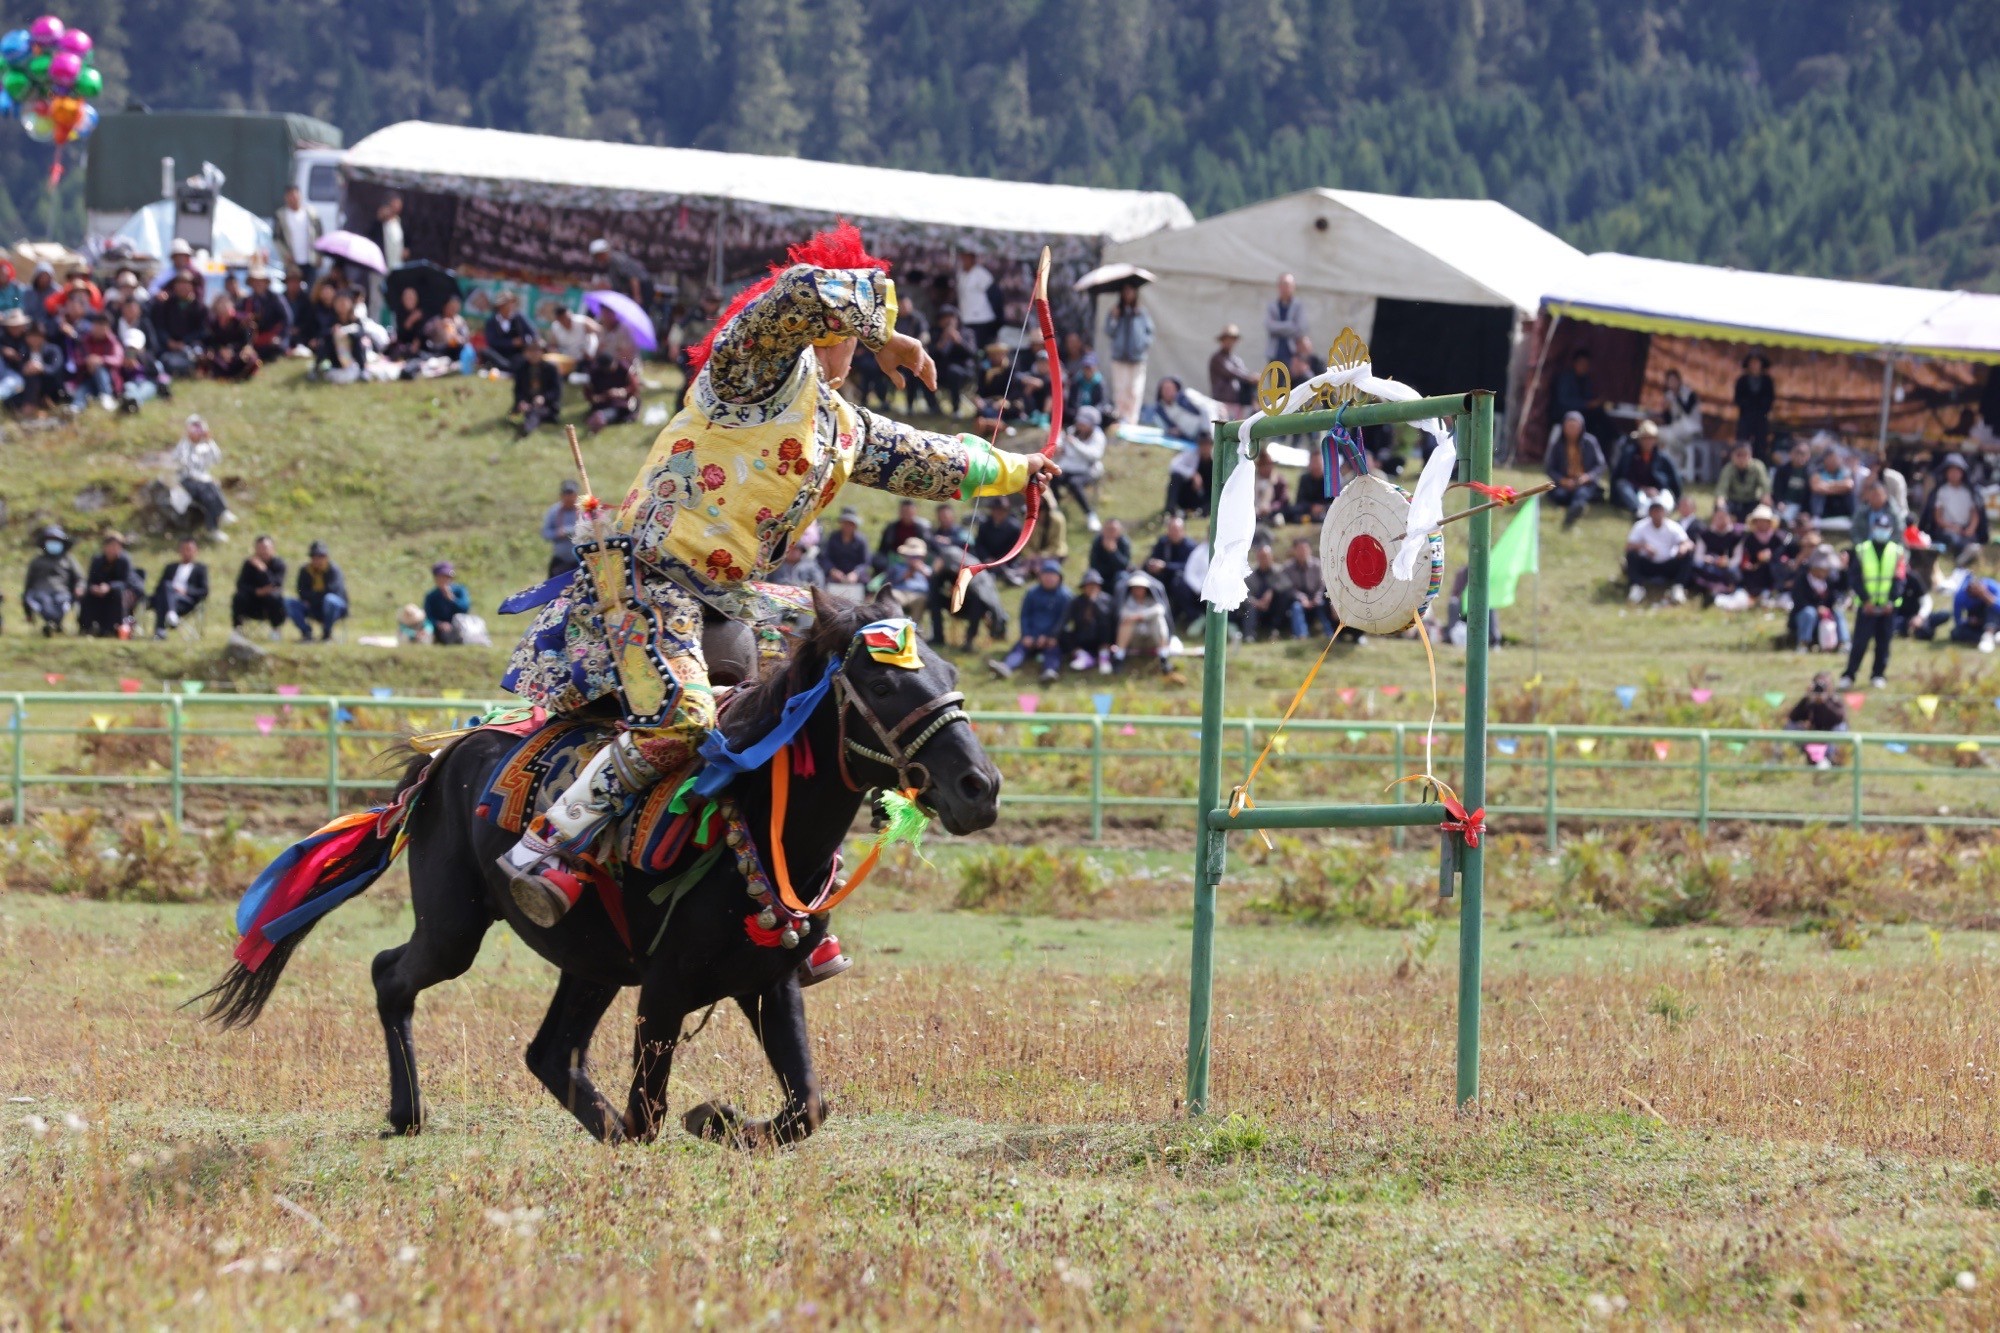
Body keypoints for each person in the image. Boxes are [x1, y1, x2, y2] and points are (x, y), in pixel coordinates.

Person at [495, 223, 1053, 928]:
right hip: (650, 572)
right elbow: (799, 292)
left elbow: (932, 460)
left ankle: (793, 873)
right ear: (835, 331)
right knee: (682, 723)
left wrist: (1020, 470)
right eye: (854, 331)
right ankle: (546, 848)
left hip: (731, 594)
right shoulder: (750, 370)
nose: (859, 344)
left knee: (858, 653)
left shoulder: (843, 427)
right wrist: (889, 335)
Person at [1842, 511, 1904, 688]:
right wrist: (1866, 599)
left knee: (1883, 643)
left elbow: (1899, 579)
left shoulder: (1897, 551)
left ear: (1890, 530)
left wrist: (1891, 601)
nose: (1881, 531)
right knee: (1860, 642)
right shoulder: (1862, 550)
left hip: (1888, 607)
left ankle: (1878, 674)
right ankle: (1849, 675)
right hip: (1866, 606)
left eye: (1884, 528)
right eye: (1878, 527)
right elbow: (1855, 578)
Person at [989, 559, 1071, 682]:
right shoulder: (1032, 593)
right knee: (1019, 649)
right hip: (1031, 635)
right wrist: (1026, 634)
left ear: (1059, 577)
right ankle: (1006, 667)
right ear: (1040, 576)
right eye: (1046, 575)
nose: (1049, 578)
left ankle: (1050, 671)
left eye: (1052, 575)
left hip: (1052, 638)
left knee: (1053, 651)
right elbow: (1025, 615)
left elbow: (1064, 620)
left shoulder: (1065, 596)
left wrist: (1052, 636)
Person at [1916, 548, 2000, 649]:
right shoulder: (1960, 596)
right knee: (1956, 633)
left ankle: (1989, 635)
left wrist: (1985, 596)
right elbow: (1958, 621)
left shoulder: (1992, 586)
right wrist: (1969, 621)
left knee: (1991, 608)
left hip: (1994, 619)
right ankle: (1989, 637)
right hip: (1977, 622)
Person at [1543, 411, 1607, 529]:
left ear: (1581, 427)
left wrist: (1587, 477)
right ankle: (1576, 501)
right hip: (1565, 482)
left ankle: (1575, 509)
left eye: (1575, 427)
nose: (1572, 430)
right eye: (1569, 427)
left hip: (1584, 482)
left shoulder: (1590, 442)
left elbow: (1600, 465)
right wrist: (1562, 480)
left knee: (1582, 493)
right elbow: (1549, 468)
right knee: (1560, 495)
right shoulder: (1557, 444)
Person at [171, 414, 231, 535]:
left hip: (204, 482)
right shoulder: (184, 445)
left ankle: (214, 527)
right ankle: (222, 512)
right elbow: (184, 463)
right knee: (209, 486)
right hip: (187, 481)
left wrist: (210, 441)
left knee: (209, 495)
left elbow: (216, 458)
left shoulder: (205, 445)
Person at [1103, 279, 1153, 424]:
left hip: (1137, 358)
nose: (1128, 294)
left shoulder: (1142, 312)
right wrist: (1114, 318)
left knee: (1135, 390)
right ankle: (1121, 418)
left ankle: (1132, 420)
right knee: (1120, 390)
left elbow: (1150, 333)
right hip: (1120, 357)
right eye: (1125, 292)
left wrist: (1141, 345)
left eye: (1130, 291)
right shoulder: (1116, 311)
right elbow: (1109, 331)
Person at [1625, 498, 1692, 603]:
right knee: (1632, 554)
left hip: (1668, 565)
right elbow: (1629, 546)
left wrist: (1683, 548)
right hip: (1647, 565)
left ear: (1664, 512)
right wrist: (1643, 546)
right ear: (1650, 512)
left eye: (1660, 510)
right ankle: (1636, 587)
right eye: (1654, 511)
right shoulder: (1640, 526)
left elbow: (1688, 543)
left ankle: (1678, 587)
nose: (1657, 514)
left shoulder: (1673, 526)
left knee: (1688, 554)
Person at [1051, 404, 1107, 531]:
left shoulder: (1098, 437)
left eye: (1084, 424)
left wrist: (1075, 444)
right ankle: (1054, 505)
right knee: (1051, 476)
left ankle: (1090, 515)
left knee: (1074, 484)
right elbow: (1060, 442)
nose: (1080, 426)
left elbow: (1094, 455)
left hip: (1087, 471)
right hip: (1067, 467)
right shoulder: (1072, 431)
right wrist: (1059, 447)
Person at [1920, 453, 1986, 556]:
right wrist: (1951, 527)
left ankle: (1968, 552)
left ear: (1962, 472)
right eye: (1951, 470)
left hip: (1965, 529)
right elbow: (1938, 517)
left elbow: (1974, 513)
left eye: (1957, 470)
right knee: (1953, 540)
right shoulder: (1941, 491)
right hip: (1947, 529)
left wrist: (1971, 528)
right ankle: (1962, 555)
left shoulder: (1969, 492)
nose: (1954, 474)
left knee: (1972, 541)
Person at [21, 524, 81, 635]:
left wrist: (79, 588)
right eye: (50, 540)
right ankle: (52, 624)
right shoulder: (37, 561)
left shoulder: (68, 560)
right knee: (45, 603)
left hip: (62, 592)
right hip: (40, 593)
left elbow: (79, 578)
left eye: (56, 540)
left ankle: (53, 624)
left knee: (60, 601)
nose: (53, 543)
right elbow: (28, 583)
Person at [1610, 421, 1680, 516]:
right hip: (1636, 491)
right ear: (1639, 440)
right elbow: (1620, 477)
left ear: (1655, 440)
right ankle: (1638, 511)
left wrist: (1675, 497)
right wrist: (1643, 489)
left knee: (1665, 498)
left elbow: (1673, 479)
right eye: (1645, 438)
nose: (1647, 442)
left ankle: (1660, 511)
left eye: (1650, 439)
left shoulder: (1662, 458)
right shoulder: (1629, 455)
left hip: (1657, 493)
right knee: (1622, 485)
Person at [78, 531, 140, 637]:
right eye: (111, 546)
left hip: (120, 593)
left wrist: (109, 587)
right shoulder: (97, 560)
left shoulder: (124, 560)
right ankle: (87, 627)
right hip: (100, 593)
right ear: (105, 547)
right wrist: (94, 588)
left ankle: (114, 628)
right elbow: (91, 580)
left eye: (117, 546)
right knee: (87, 594)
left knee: (118, 594)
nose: (114, 549)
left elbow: (126, 581)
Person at [1145, 514, 1201, 629]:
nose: (1173, 533)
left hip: (1184, 583)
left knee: (1178, 583)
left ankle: (1192, 616)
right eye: (1171, 529)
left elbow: (1188, 567)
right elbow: (1154, 557)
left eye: (1176, 530)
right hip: (1164, 578)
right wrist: (1152, 565)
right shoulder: (1163, 543)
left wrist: (1165, 566)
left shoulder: (1190, 546)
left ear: (1183, 531)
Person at [1784, 673, 1848, 770]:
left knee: (1841, 727)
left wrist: (1824, 702)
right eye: (1818, 683)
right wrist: (1807, 698)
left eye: (1825, 683)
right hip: (1811, 735)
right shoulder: (1809, 700)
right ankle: (1792, 754)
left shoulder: (1835, 700)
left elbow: (1839, 718)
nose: (1821, 686)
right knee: (1790, 726)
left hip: (1830, 736)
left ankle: (1828, 758)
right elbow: (1793, 717)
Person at [148, 537, 209, 639]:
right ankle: (171, 614)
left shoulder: (200, 569)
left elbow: (204, 591)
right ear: (179, 550)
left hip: (185, 601)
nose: (186, 552)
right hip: (166, 596)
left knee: (163, 598)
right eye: (184, 549)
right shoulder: (170, 567)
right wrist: (171, 589)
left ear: (195, 551)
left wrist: (185, 591)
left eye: (189, 549)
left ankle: (160, 630)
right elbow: (159, 587)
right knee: (166, 587)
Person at [288, 540, 348, 641]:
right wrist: (311, 598)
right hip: (313, 606)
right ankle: (306, 633)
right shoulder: (305, 570)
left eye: (321, 556)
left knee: (329, 599)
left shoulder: (334, 570)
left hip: (334, 608)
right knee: (289, 603)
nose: (318, 560)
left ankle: (326, 634)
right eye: (315, 557)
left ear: (326, 557)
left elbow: (332, 590)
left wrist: (311, 598)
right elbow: (301, 591)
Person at [1060, 567, 1117, 673]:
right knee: (1063, 633)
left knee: (1105, 625)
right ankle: (1082, 656)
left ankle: (1104, 658)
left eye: (1094, 585)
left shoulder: (1108, 600)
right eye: (1089, 585)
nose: (1091, 588)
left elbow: (1112, 620)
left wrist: (1094, 602)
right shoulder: (1076, 602)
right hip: (1082, 637)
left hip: (1103, 639)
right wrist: (1052, 636)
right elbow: (1064, 620)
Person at [1790, 547, 1847, 652]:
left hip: (1827, 616)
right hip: (1805, 616)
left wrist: (1843, 570)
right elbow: (1798, 600)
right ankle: (1803, 643)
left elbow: (1842, 589)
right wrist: (1817, 608)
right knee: (1809, 612)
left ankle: (1844, 643)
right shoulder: (1801, 579)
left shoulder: (1831, 580)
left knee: (1838, 612)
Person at [1114, 570, 1173, 673]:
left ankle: (1163, 657)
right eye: (1135, 588)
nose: (1138, 590)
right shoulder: (1128, 602)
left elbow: (1160, 609)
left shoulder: (1152, 601)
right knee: (1127, 622)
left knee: (1158, 619)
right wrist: (1136, 618)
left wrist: (1140, 616)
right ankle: (1119, 657)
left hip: (1152, 638)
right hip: (1134, 639)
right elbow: (1123, 614)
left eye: (1141, 588)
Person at [152, 272, 209, 376]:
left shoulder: (201, 307)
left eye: (186, 283)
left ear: (192, 286)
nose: (182, 287)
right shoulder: (166, 305)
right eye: (179, 284)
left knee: (198, 352)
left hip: (190, 345)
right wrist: (169, 341)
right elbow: (159, 326)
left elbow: (202, 331)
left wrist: (185, 342)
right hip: (168, 346)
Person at [1551, 348, 1609, 446]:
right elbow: (1563, 400)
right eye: (1582, 364)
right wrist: (1586, 404)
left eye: (1587, 365)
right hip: (1564, 414)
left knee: (1600, 417)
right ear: (1575, 363)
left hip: (1582, 413)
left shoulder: (1586, 380)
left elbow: (1588, 397)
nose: (1584, 367)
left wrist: (1595, 402)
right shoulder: (1566, 378)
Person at [231, 535, 289, 633]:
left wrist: (263, 570)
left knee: (275, 597)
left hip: (270, 604)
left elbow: (276, 584)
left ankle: (276, 630)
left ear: (273, 549)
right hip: (252, 601)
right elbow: (241, 584)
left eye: (265, 548)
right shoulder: (249, 564)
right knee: (239, 597)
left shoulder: (279, 564)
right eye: (260, 548)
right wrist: (256, 591)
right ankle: (238, 629)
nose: (263, 551)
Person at [927, 306, 978, 415]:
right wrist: (942, 342)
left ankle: (956, 409)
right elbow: (930, 355)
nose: (948, 321)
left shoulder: (967, 333)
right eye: (944, 318)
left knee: (953, 371)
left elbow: (972, 353)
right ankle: (933, 407)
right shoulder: (934, 333)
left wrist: (958, 341)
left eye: (951, 318)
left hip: (962, 371)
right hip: (941, 371)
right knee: (924, 372)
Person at [1239, 543, 1295, 641]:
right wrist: (1256, 602)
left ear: (1271, 557)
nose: (1264, 559)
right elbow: (1244, 594)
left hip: (1274, 607)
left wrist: (1272, 591)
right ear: (1257, 558)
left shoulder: (1279, 571)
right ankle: (1249, 635)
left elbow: (1287, 585)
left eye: (1266, 557)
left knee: (1284, 596)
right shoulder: (1250, 575)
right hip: (1256, 607)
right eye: (1261, 557)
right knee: (1249, 607)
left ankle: (1275, 630)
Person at [510, 337, 563, 435]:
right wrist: (521, 401)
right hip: (528, 403)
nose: (533, 354)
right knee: (516, 413)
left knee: (535, 412)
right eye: (530, 351)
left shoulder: (551, 369)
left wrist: (543, 398)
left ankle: (526, 429)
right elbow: (518, 390)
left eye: (536, 350)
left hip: (546, 406)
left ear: (542, 352)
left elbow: (556, 391)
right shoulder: (522, 368)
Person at [202, 295, 260, 381]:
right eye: (221, 305)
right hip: (221, 354)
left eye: (226, 304)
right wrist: (221, 349)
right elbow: (211, 341)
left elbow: (247, 339)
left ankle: (240, 376)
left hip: (239, 351)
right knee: (209, 358)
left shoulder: (241, 320)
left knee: (249, 358)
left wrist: (240, 348)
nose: (224, 307)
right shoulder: (213, 323)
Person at [1282, 536, 1332, 638]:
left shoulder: (1318, 565)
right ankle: (1302, 635)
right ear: (1294, 551)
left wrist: (1317, 597)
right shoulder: (1287, 568)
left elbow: (1322, 585)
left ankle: (1330, 633)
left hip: (1316, 598)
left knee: (1322, 604)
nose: (1302, 552)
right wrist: (1301, 598)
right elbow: (1288, 588)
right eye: (1299, 549)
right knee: (1296, 607)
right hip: (1298, 600)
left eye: (1305, 549)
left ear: (1309, 550)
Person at [71, 315, 123, 410]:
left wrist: (101, 360)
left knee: (99, 369)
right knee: (82, 390)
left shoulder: (112, 341)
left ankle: (106, 397)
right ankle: (75, 408)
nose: (99, 329)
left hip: (108, 380)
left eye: (102, 326)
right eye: (97, 326)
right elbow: (77, 360)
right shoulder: (85, 340)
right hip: (88, 377)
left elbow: (118, 359)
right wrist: (87, 361)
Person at [273, 183, 322, 281]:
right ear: (286, 197)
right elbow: (277, 238)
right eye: (290, 196)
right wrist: (285, 254)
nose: (293, 199)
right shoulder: (281, 216)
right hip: (292, 261)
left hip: (310, 260)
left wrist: (319, 255)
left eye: (295, 195)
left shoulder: (311, 213)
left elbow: (319, 234)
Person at [582, 349, 640, 432]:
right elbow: (588, 392)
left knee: (620, 408)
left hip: (622, 400)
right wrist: (595, 397)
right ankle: (600, 417)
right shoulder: (594, 372)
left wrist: (623, 391)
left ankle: (601, 417)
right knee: (605, 409)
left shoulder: (624, 368)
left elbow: (634, 387)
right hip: (604, 401)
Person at [971, 498, 1025, 586]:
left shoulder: (1014, 528)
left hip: (1007, 561)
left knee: (1012, 568)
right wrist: (987, 558)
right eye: (996, 509)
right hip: (987, 560)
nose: (998, 513)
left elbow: (1014, 548)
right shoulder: (984, 526)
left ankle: (1009, 576)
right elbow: (979, 544)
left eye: (1002, 510)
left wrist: (1000, 560)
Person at [1734, 353, 1777, 460]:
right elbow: (1737, 399)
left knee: (1761, 446)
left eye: (1757, 363)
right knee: (1743, 443)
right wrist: (1748, 405)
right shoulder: (1742, 381)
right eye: (1752, 363)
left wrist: (1760, 406)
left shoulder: (1767, 381)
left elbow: (1770, 399)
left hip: (1761, 418)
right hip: (1745, 418)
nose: (1754, 365)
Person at [818, 506, 871, 592]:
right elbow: (825, 557)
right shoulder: (833, 538)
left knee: (867, 585)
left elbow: (865, 562)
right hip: (836, 572)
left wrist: (855, 573)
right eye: (845, 523)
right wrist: (832, 570)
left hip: (855, 573)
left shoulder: (861, 540)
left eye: (851, 524)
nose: (848, 527)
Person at [953, 249, 999, 350]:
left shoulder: (981, 273)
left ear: (972, 258)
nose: (964, 260)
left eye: (967, 257)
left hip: (982, 319)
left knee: (981, 347)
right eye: (963, 257)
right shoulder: (961, 274)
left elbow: (994, 294)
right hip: (966, 317)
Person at [242, 267, 292, 359]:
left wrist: (280, 337)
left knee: (275, 348)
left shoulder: (276, 298)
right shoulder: (248, 301)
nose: (257, 284)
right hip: (257, 340)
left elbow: (287, 318)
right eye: (254, 281)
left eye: (260, 281)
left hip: (275, 338)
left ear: (266, 283)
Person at [1715, 440, 1772, 520]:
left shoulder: (1758, 466)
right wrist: (1720, 505)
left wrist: (1766, 497)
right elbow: (1721, 490)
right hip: (1734, 501)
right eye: (1738, 455)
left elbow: (1765, 486)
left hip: (1753, 501)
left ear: (1750, 455)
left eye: (1745, 455)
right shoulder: (1728, 469)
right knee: (1720, 509)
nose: (1742, 459)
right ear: (1732, 456)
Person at [481, 291, 535, 374]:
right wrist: (511, 342)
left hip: (515, 354)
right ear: (500, 306)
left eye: (512, 303)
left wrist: (523, 340)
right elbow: (491, 341)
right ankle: (507, 367)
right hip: (498, 354)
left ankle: (507, 368)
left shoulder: (519, 318)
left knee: (522, 358)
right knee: (486, 352)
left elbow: (532, 333)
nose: (511, 306)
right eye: (508, 304)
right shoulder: (491, 321)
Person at [1209, 324, 1257, 416]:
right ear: (1222, 340)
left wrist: (1253, 378)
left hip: (1237, 403)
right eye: (1227, 339)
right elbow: (1231, 372)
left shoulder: (1236, 359)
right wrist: (1250, 377)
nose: (1229, 342)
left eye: (1232, 339)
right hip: (1222, 403)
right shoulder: (1217, 358)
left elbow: (1244, 372)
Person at [543, 302, 600, 375]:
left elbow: (600, 331)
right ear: (558, 319)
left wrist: (593, 350)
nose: (566, 321)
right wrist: (555, 352)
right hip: (567, 360)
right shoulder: (555, 327)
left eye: (567, 318)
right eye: (562, 319)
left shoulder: (581, 321)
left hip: (586, 358)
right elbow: (552, 345)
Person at [423, 561, 471, 644]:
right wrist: (439, 624)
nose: (445, 580)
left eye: (447, 577)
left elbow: (465, 609)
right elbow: (429, 616)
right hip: (440, 628)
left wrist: (452, 599)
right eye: (441, 577)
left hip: (459, 626)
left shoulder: (459, 590)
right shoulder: (431, 596)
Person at [1264, 273, 1308, 366]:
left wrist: (1278, 328)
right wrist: (1289, 325)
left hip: (1293, 353)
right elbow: (1269, 326)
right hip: (1274, 352)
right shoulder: (1272, 306)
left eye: (1288, 285)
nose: (1285, 288)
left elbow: (1300, 328)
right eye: (1283, 285)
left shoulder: (1298, 306)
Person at [1769, 438, 1815, 526]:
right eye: (1797, 452)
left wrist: (1806, 512)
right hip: (1784, 504)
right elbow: (1777, 489)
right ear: (1790, 453)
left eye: (1803, 453)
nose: (1800, 456)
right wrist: (1779, 502)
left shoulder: (1811, 472)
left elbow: (1811, 496)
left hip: (1801, 507)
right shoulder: (1782, 470)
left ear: (1808, 455)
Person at [1809, 445, 1857, 527]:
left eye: (1837, 458)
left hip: (1843, 510)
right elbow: (1816, 487)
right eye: (1831, 458)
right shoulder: (1818, 471)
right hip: (1822, 510)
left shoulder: (1845, 471)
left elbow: (1848, 485)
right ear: (1825, 459)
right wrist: (1839, 486)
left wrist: (1827, 485)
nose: (1835, 460)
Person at [543, 478, 582, 577]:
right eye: (566, 495)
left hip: (580, 559)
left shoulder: (584, 511)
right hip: (561, 560)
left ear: (576, 495)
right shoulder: (553, 512)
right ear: (561, 496)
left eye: (571, 495)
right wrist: (557, 533)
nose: (569, 498)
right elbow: (545, 533)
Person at [1089, 516, 1131, 591]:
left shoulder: (1124, 542)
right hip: (1101, 575)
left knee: (1123, 576)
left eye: (1113, 530)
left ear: (1119, 531)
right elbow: (1093, 565)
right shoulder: (1097, 542)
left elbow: (1124, 565)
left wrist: (1113, 552)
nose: (1110, 532)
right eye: (1108, 529)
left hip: (1117, 576)